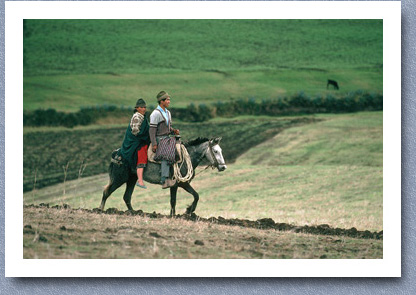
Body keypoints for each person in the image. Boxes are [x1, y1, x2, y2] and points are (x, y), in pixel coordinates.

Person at [149, 91, 180, 189]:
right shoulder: (155, 114)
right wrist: (154, 143)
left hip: (167, 137)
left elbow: (167, 128)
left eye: (169, 99)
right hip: (159, 139)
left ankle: (175, 174)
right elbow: (152, 130)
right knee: (166, 154)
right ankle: (164, 179)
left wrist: (173, 131)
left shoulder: (168, 112)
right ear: (161, 101)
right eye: (167, 100)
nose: (169, 101)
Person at [119, 98, 150, 189]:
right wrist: (145, 136)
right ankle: (140, 180)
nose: (144, 109)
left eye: (145, 107)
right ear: (137, 108)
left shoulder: (143, 117)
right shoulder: (137, 117)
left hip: (142, 139)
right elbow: (135, 132)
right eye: (142, 107)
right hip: (136, 142)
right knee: (142, 153)